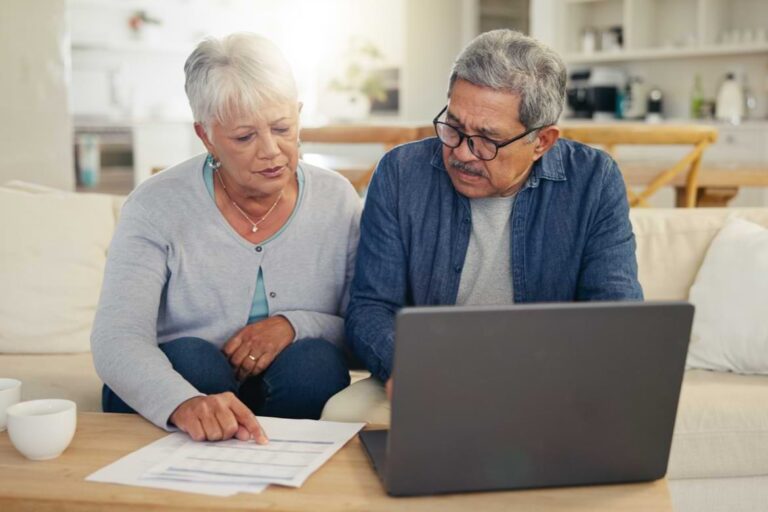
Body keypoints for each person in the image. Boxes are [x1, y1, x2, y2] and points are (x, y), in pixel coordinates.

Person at [328, 29, 642, 423]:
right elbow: (372, 307)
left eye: (487, 140)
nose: (461, 153)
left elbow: (616, 314)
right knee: (339, 414)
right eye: (453, 127)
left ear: (542, 141)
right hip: (427, 371)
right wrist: (408, 367)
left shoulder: (594, 181)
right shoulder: (400, 174)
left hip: (549, 379)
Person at [91, 33, 361, 442]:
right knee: (193, 360)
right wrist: (182, 401)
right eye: (244, 137)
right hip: (180, 384)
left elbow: (363, 325)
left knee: (316, 364)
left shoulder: (336, 198)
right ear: (206, 136)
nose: (271, 150)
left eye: (282, 127)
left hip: (290, 388)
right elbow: (117, 338)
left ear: (299, 115)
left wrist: (294, 324)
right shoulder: (154, 205)